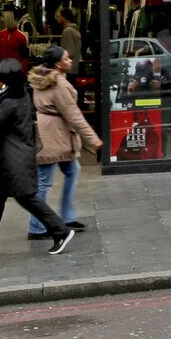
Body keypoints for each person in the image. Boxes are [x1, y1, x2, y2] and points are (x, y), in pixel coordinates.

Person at [0, 60, 71, 257]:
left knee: (26, 198)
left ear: (5, 80)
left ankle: (61, 231)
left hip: (12, 160)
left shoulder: (8, 102)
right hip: (12, 157)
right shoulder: (21, 94)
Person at [28, 44, 101, 234]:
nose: (70, 61)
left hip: (53, 134)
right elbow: (73, 115)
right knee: (44, 182)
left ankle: (67, 217)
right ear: (59, 64)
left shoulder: (44, 77)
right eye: (67, 58)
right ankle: (36, 227)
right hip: (54, 136)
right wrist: (92, 138)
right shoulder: (58, 83)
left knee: (72, 170)